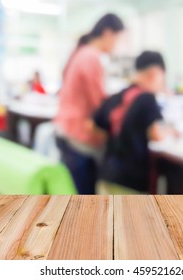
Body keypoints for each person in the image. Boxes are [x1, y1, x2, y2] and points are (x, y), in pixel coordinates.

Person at [55, 13, 125, 194]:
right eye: (117, 39)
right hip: (79, 138)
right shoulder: (91, 57)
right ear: (108, 33)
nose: (117, 45)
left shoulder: (81, 53)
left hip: (68, 131)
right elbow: (98, 103)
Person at [92, 51, 174, 194]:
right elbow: (157, 134)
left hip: (106, 176)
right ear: (154, 74)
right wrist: (171, 130)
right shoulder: (147, 98)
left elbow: (95, 126)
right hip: (130, 182)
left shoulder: (118, 96)